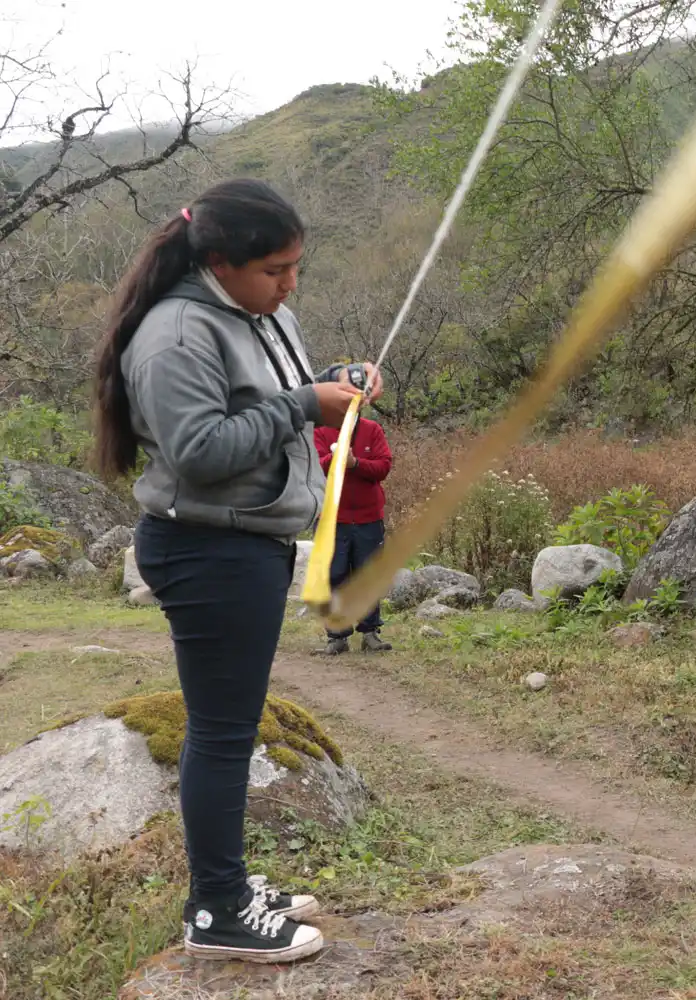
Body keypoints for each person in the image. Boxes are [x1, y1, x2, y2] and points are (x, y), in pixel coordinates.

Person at [92, 178, 383, 964]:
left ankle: (223, 884)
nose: (290, 285)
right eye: (274, 270)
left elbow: (271, 391)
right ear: (219, 262)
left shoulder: (258, 312)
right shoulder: (176, 334)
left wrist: (337, 381)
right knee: (222, 736)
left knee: (229, 727)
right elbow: (202, 451)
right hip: (207, 552)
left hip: (248, 545)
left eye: (297, 267)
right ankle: (217, 910)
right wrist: (303, 406)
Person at [313, 413, 393, 653]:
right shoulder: (320, 431)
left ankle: (370, 634)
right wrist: (336, 459)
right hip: (330, 519)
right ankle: (337, 637)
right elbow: (313, 468)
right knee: (333, 575)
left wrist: (355, 464)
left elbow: (383, 466)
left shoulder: (372, 430)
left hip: (368, 518)